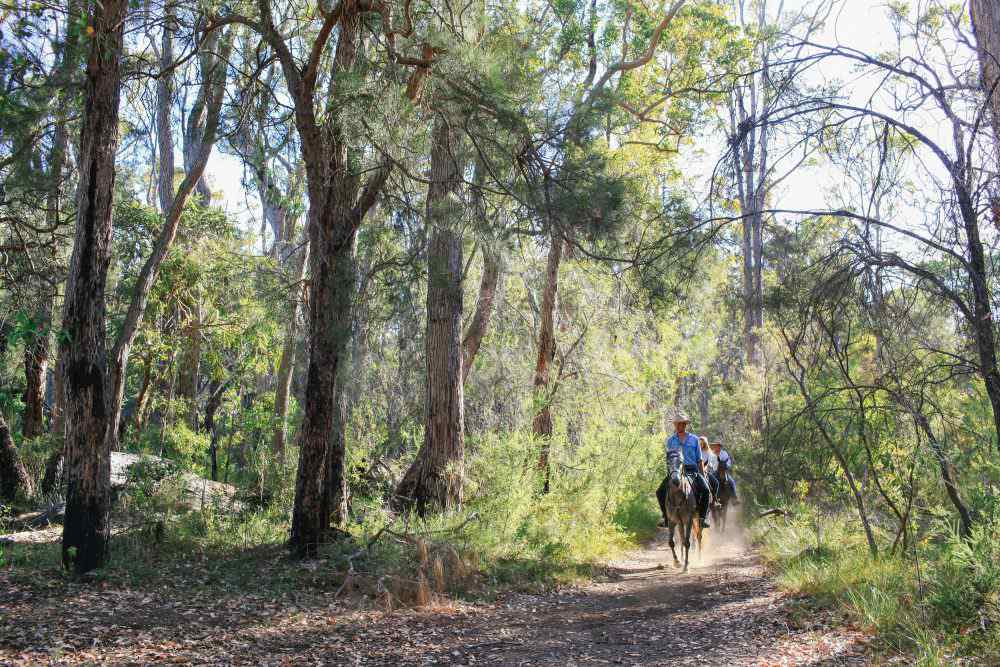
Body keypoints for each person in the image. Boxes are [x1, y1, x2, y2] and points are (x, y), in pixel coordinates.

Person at [664, 412, 711, 528]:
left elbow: (699, 459)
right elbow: (669, 459)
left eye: (682, 424)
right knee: (660, 491)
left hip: (692, 470)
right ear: (675, 425)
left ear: (685, 425)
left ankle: (702, 518)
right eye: (677, 424)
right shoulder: (670, 441)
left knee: (705, 490)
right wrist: (669, 473)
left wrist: (702, 475)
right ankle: (665, 517)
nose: (680, 426)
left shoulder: (694, 439)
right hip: (676, 470)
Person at [710, 439, 739, 504]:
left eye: (718, 446)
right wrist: (713, 466)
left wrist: (726, 465)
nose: (717, 447)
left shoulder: (724, 453)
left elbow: (728, 462)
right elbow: (710, 463)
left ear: (720, 446)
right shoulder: (711, 454)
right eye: (716, 446)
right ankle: (712, 499)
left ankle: (734, 498)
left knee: (732, 482)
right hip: (714, 471)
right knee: (710, 483)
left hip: (724, 470)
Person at [700, 436, 721, 506]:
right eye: (700, 442)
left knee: (716, 483)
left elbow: (709, 463)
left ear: (705, 443)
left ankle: (714, 500)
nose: (701, 444)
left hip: (704, 470)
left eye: (702, 443)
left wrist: (705, 468)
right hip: (695, 470)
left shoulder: (709, 452)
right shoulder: (696, 450)